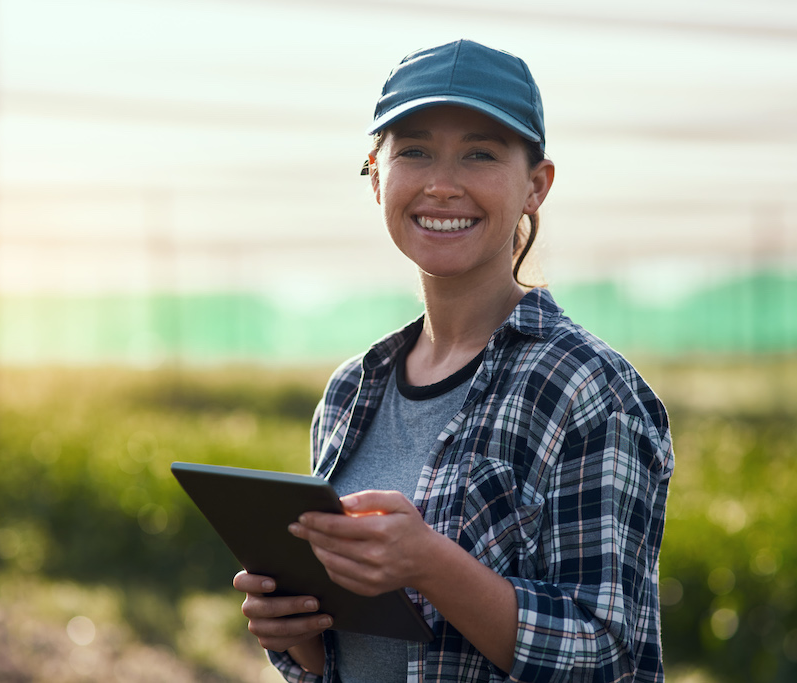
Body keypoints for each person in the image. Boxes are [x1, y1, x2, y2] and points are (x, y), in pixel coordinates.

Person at [233, 39, 675, 682]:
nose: (442, 184)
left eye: (480, 153)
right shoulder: (352, 393)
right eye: (413, 150)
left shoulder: (586, 392)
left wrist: (429, 564)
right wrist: (296, 634)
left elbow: (605, 654)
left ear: (536, 185)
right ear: (377, 175)